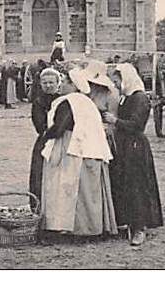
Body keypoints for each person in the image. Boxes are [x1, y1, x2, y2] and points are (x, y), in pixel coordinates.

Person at [40, 68, 117, 238]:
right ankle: (93, 226)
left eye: (65, 82)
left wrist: (47, 135)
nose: (62, 85)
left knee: (70, 188)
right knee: (89, 191)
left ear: (74, 85)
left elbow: (60, 127)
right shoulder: (86, 102)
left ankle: (74, 228)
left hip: (73, 148)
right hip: (91, 149)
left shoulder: (70, 102)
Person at [105, 63, 163, 246]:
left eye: (117, 81)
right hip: (123, 145)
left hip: (135, 146)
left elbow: (137, 125)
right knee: (123, 183)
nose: (115, 85)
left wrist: (115, 121)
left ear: (126, 78)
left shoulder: (139, 98)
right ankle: (127, 222)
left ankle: (140, 227)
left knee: (136, 185)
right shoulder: (126, 97)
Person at [29, 67, 62, 212]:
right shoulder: (38, 102)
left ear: (57, 83)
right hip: (45, 140)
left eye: (51, 82)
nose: (48, 86)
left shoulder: (63, 100)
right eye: (45, 83)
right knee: (40, 175)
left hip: (61, 140)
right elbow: (40, 126)